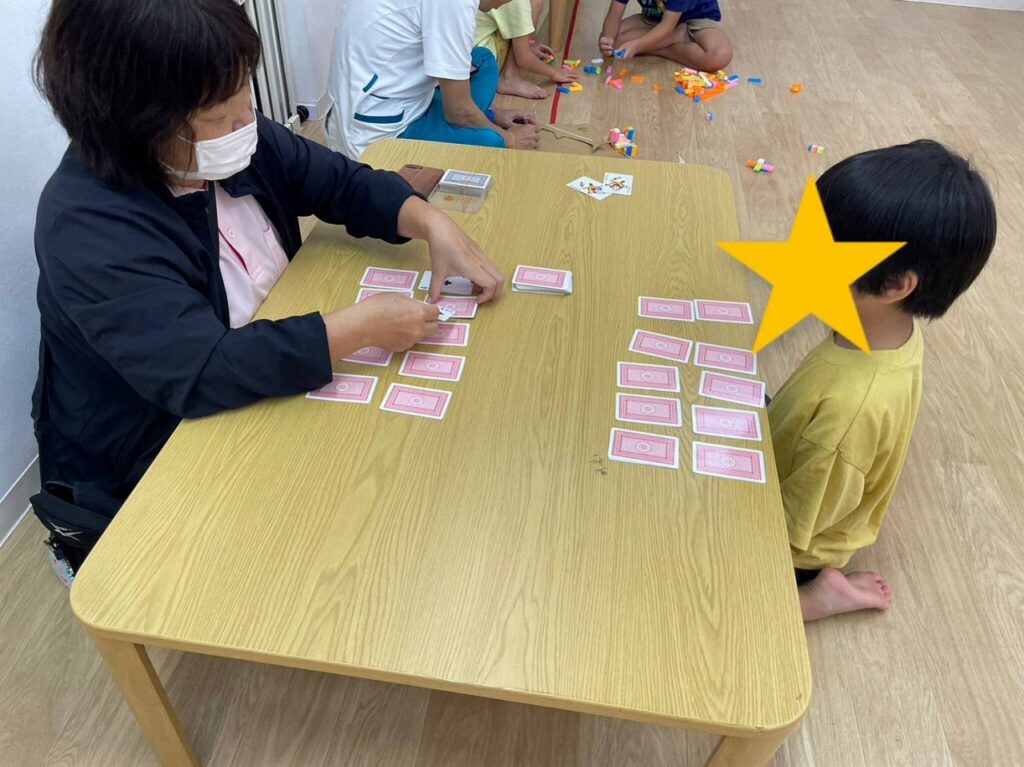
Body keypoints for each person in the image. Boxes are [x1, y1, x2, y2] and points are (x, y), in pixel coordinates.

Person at [30, 0, 505, 579]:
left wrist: (429, 221)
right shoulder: (87, 227)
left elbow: (336, 181)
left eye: (245, 98)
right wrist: (360, 327)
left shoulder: (228, 142)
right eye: (220, 116)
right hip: (153, 457)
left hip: (264, 371)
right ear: (138, 123)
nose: (246, 124)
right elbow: (201, 371)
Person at [768, 141, 997, 622]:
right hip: (804, 450)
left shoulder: (848, 410)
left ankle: (819, 597)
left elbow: (790, 528)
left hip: (797, 549)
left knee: (710, 591)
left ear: (894, 285)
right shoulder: (887, 330)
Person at [325, 0, 541, 160]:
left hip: (389, 93)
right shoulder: (454, 4)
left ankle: (478, 119)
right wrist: (510, 139)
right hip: (377, 134)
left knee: (482, 60)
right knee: (492, 142)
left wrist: (492, 114)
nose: (504, 5)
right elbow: (458, 112)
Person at [475, 0, 578, 100]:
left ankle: (524, 46)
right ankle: (510, 77)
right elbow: (523, 59)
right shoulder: (519, 3)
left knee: (534, 3)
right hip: (480, 63)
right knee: (532, 5)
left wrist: (527, 46)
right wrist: (554, 73)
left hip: (470, 52)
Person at [598, 0, 732, 71]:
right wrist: (608, 38)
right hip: (656, 20)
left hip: (694, 18)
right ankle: (674, 38)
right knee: (613, 43)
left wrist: (637, 46)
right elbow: (614, 14)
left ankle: (669, 38)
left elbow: (667, 26)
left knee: (719, 55)